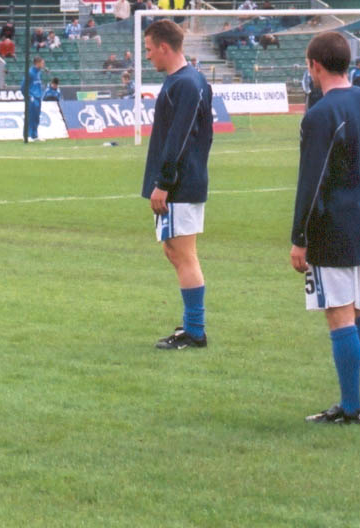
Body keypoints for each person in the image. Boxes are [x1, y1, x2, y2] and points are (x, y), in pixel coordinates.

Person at [291, 31, 360, 425]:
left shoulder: (320, 115)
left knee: (339, 314)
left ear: (315, 66)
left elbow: (311, 182)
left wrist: (300, 239)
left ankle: (348, 407)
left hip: (334, 229)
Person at [141, 19, 213, 350]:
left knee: (184, 254)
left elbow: (181, 138)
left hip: (180, 185)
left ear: (165, 48)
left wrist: (164, 182)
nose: (148, 56)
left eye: (150, 49)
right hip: (180, 182)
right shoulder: (184, 81)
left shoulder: (186, 83)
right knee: (174, 251)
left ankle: (195, 330)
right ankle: (191, 325)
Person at [21, 56, 45, 142]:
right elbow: (23, 87)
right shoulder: (30, 73)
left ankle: (34, 135)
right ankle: (27, 135)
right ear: (37, 63)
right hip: (32, 98)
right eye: (42, 63)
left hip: (38, 98)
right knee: (30, 117)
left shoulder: (39, 73)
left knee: (36, 117)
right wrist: (29, 96)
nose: (43, 64)